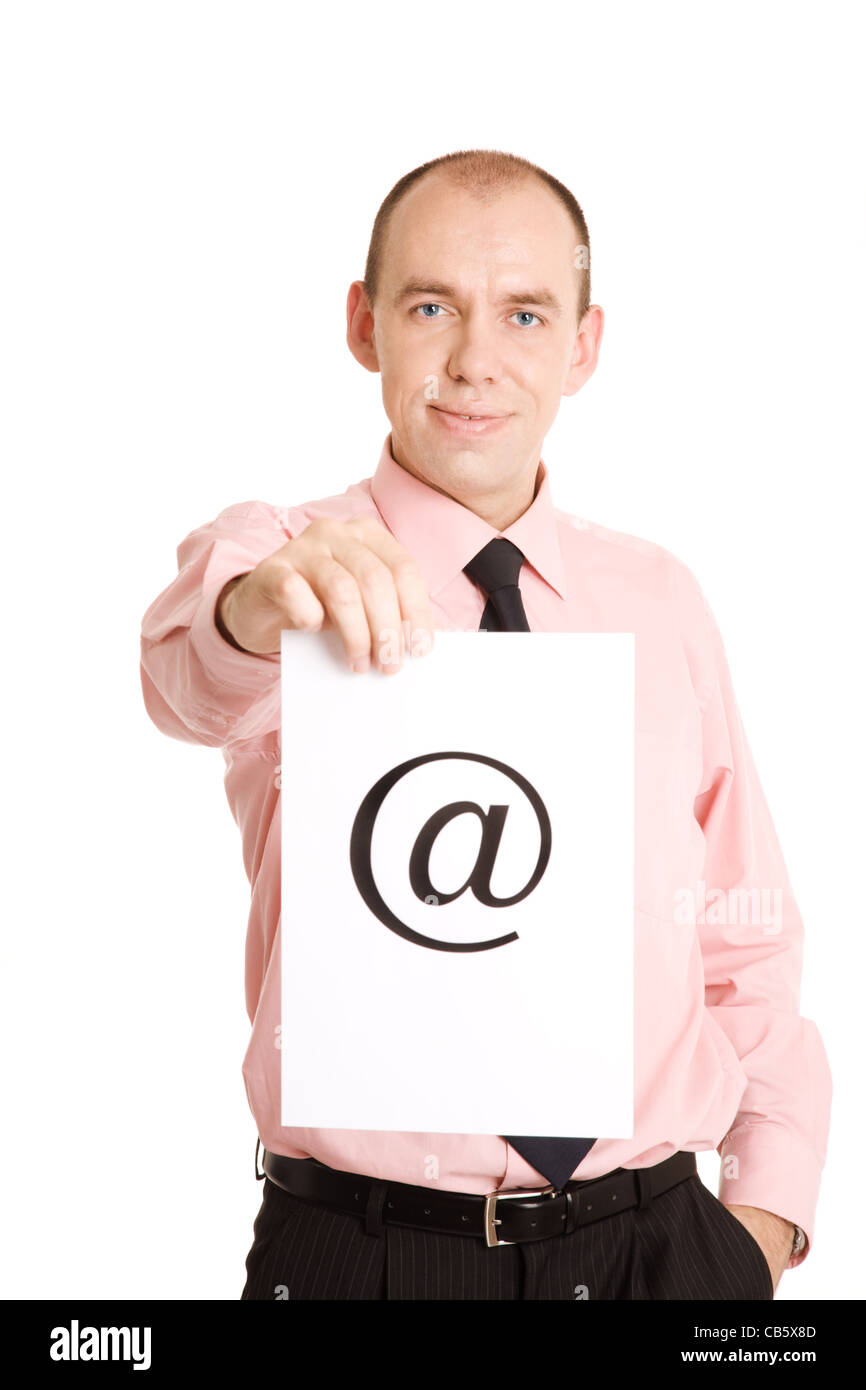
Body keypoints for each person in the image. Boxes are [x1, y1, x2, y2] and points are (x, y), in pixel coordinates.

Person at [139, 148, 832, 1301]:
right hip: (359, 1256)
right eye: (429, 306)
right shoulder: (283, 562)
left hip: (649, 1247)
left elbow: (743, 934)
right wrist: (257, 608)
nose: (473, 360)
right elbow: (183, 680)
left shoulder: (659, 600)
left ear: (581, 343)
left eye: (522, 313)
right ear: (363, 325)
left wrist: (757, 1221)